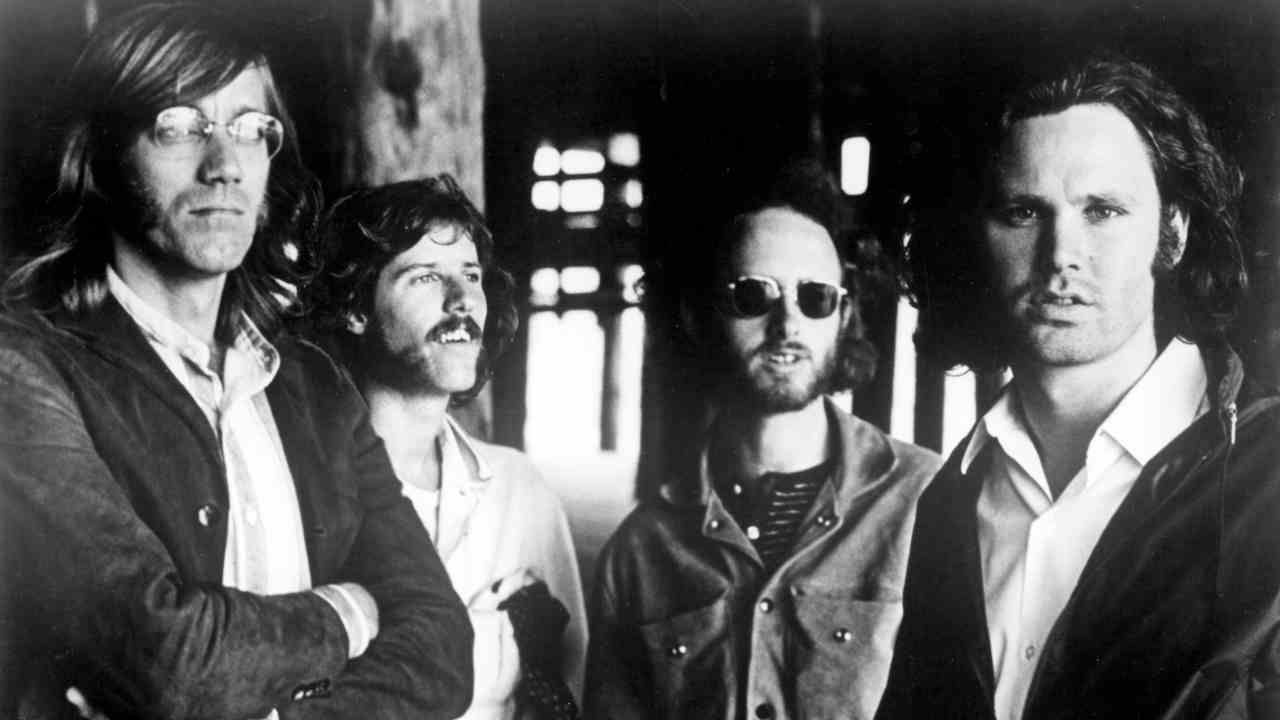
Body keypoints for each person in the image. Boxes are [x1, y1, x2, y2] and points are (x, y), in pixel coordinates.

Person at [0, 5, 472, 718]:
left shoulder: (316, 387)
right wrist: (348, 610)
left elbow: (443, 645)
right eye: (180, 126)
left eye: (251, 130)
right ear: (101, 155)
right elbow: (171, 662)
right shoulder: (28, 372)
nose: (223, 166)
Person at [877, 55, 1280, 719]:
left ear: (1172, 235)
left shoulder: (1266, 477)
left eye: (1104, 211)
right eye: (1023, 212)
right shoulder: (954, 498)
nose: (1061, 253)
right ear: (979, 236)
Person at [584, 160, 942, 720]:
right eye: (754, 294)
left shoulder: (931, 504)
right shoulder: (640, 553)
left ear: (844, 315)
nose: (788, 323)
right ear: (699, 315)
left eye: (816, 296)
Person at [305, 176, 588, 720]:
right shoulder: (302, 486)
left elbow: (568, 687)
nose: (463, 302)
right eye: (426, 277)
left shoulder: (518, 488)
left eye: (471, 275)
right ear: (356, 309)